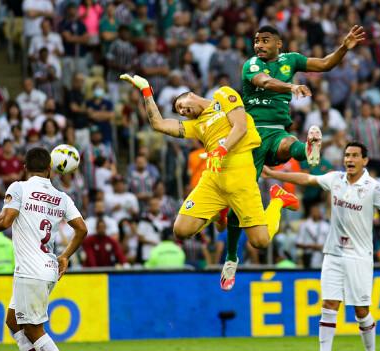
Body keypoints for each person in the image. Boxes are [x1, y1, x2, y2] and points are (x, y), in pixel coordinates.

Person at [120, 73, 299, 291]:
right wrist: (146, 90)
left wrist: (222, 149)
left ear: (192, 95)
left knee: (260, 242)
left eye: (182, 105)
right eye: (179, 112)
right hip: (213, 181)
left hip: (241, 178)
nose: (183, 112)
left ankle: (278, 200)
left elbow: (240, 127)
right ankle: (219, 211)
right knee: (181, 230)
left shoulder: (223, 95)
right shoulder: (197, 126)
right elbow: (158, 124)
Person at [224, 24, 366, 285]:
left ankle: (308, 148)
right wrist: (291, 88)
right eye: (256, 41)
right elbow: (263, 82)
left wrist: (344, 48)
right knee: (239, 197)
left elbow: (324, 64)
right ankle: (231, 257)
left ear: (279, 44)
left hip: (277, 131)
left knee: (290, 146)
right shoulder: (251, 65)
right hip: (251, 135)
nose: (258, 45)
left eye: (265, 40)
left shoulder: (292, 60)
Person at [263, 142, 380, 351]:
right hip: (333, 253)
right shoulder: (335, 179)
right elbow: (306, 178)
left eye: (355, 156)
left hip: (359, 256)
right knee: (329, 306)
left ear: (365, 161)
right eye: (347, 155)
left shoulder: (373, 187)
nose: (349, 159)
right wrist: (272, 173)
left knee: (361, 311)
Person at [0, 147, 87, 351]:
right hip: (48, 267)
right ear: (49, 170)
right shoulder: (62, 198)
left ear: (24, 168)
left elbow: (6, 221)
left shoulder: (19, 188)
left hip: (30, 271)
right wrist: (65, 256)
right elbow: (81, 229)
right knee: (13, 322)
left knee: (34, 330)